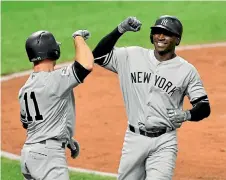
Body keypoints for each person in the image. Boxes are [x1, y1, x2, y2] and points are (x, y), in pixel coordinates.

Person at [93, 15, 211, 180]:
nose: (161, 37)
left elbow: (204, 106)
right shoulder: (131, 56)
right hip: (134, 139)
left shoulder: (187, 71)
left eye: (167, 33)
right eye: (157, 32)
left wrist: (186, 115)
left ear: (177, 40)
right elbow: (98, 56)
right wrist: (120, 29)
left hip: (165, 141)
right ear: (151, 36)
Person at [18, 29, 94, 180]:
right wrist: (78, 37)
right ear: (53, 51)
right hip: (48, 158)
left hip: (28, 155)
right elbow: (86, 65)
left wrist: (65, 139)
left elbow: (29, 124)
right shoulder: (55, 80)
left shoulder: (25, 88)